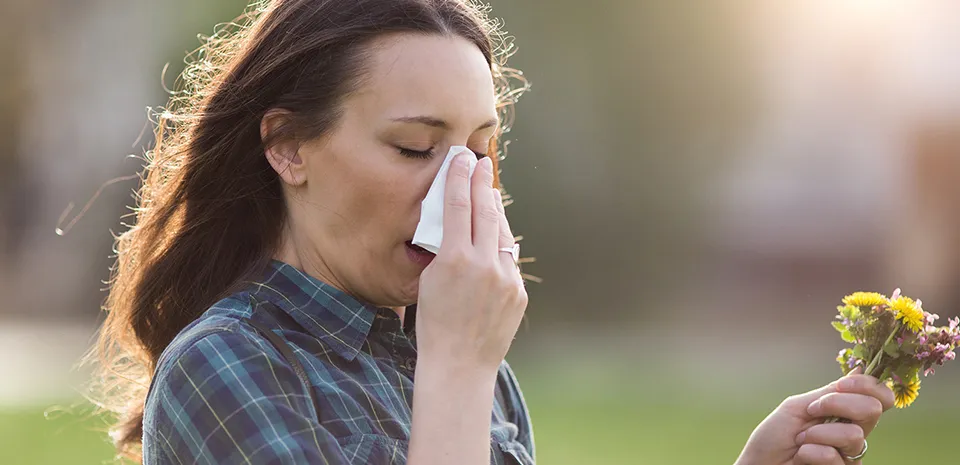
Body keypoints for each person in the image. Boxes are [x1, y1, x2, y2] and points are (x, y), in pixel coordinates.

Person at [88, 1, 894, 464]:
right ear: (287, 146)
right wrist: (460, 371)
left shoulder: (443, 353)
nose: (461, 186)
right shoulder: (227, 366)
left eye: (479, 150)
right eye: (413, 147)